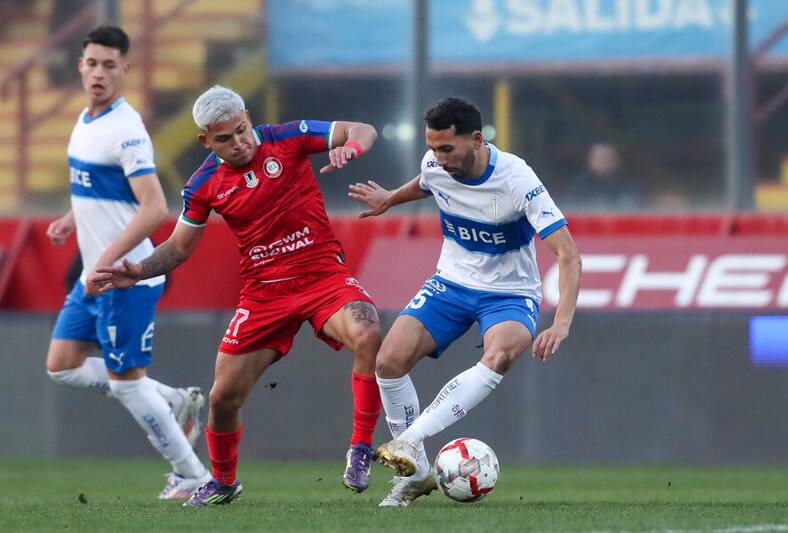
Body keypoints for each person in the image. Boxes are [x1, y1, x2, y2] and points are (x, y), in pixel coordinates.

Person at [90, 85, 384, 506]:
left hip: (322, 277)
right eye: (224, 139)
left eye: (242, 130)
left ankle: (359, 448)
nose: (239, 143)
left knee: (369, 332)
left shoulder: (287, 137)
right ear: (205, 141)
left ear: (248, 117)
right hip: (263, 294)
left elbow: (364, 128)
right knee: (222, 397)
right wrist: (137, 271)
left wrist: (351, 148)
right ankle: (224, 481)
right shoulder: (203, 183)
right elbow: (179, 247)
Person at [348, 97, 582, 507]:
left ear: (476, 139)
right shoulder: (435, 165)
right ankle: (417, 472)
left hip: (510, 294)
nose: (437, 158)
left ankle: (407, 440)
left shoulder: (516, 179)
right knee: (387, 362)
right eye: (433, 148)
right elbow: (425, 182)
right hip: (452, 283)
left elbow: (569, 255)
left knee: (501, 356)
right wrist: (389, 198)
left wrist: (561, 324)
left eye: (446, 149)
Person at [45, 25, 209, 501]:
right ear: (81, 66)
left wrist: (109, 261)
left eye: (109, 66)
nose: (98, 73)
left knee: (126, 385)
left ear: (124, 70)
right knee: (62, 366)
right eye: (92, 63)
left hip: (123, 278)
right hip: (96, 273)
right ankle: (174, 400)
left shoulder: (125, 129)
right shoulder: (87, 118)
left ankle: (192, 475)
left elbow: (156, 207)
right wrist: (71, 217)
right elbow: (102, 191)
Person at [565, 143, 638, 210]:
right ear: (590, 160)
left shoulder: (626, 183)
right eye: (601, 158)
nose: (605, 162)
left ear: (617, 160)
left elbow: (634, 206)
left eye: (609, 158)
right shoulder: (580, 185)